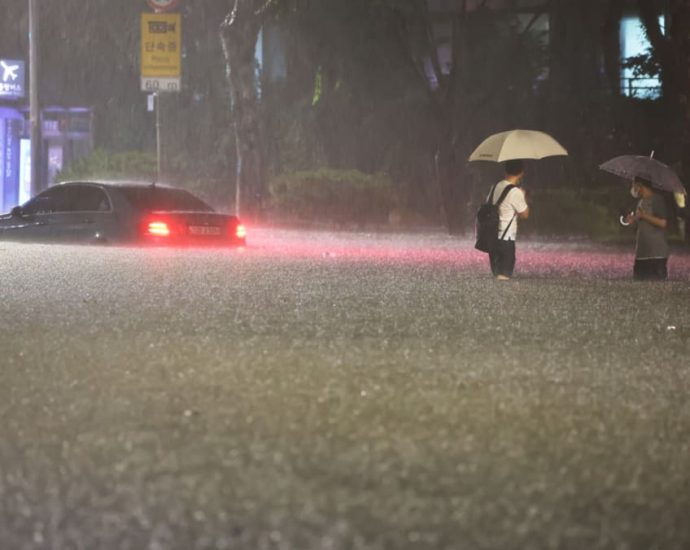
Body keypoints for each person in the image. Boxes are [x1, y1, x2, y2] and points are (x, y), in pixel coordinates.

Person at [488, 159, 529, 280]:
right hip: (506, 239)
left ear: (505, 171)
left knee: (497, 275)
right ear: (521, 173)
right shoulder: (516, 192)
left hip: (492, 237)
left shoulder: (495, 187)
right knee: (504, 276)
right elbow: (525, 214)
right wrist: (523, 196)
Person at [624, 177, 669, 280]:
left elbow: (663, 223)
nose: (633, 188)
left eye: (633, 185)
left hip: (656, 254)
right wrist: (633, 221)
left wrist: (644, 216)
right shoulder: (640, 202)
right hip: (642, 253)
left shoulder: (657, 200)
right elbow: (641, 224)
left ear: (639, 185)